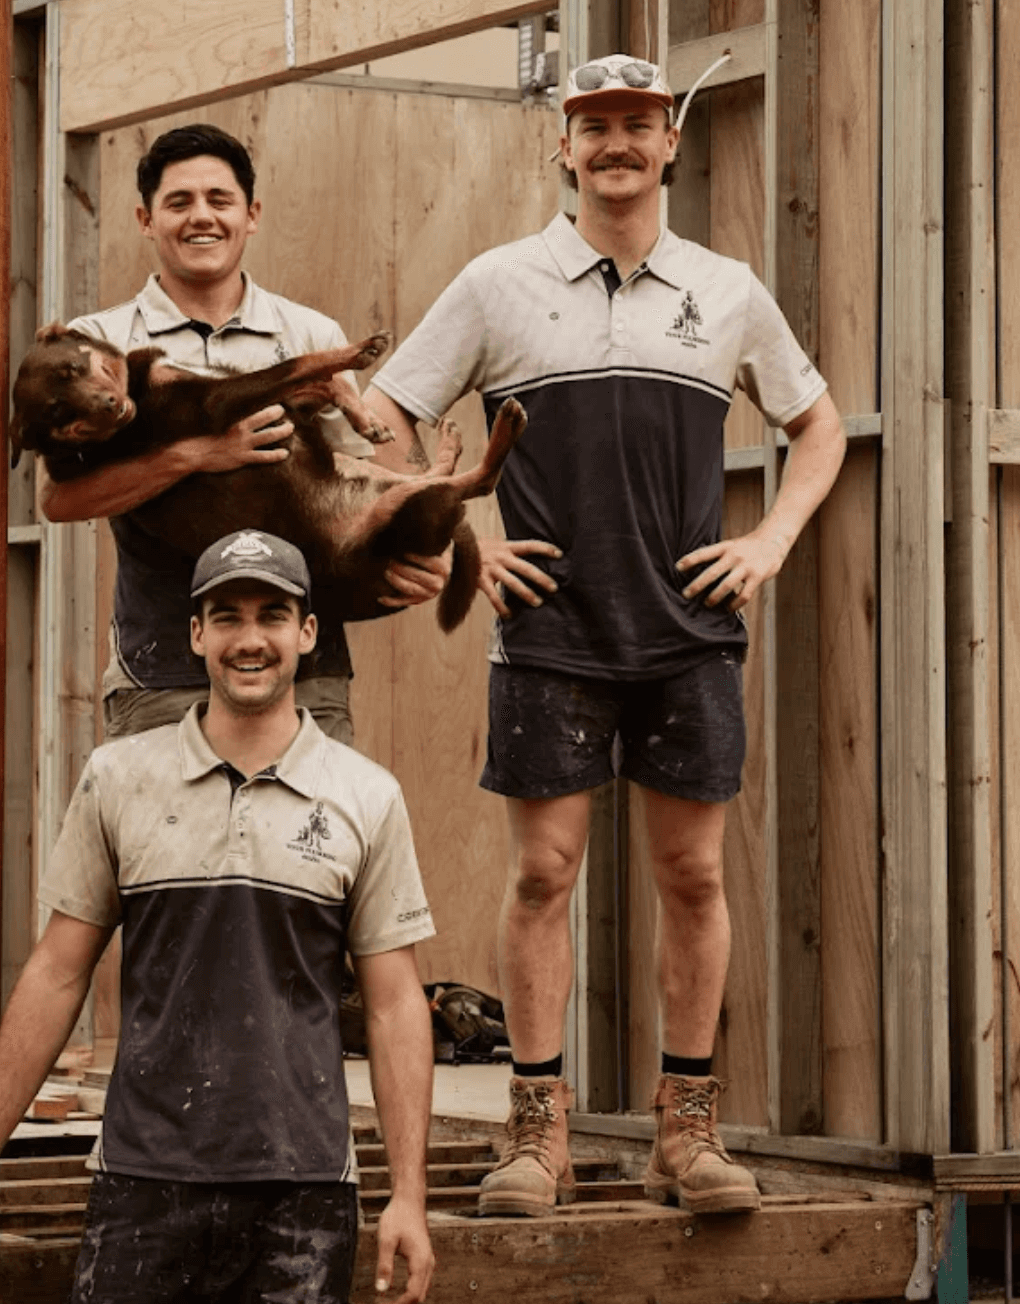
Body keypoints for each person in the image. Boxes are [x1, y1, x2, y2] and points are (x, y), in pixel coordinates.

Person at [364, 54, 847, 1217]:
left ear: (671, 142)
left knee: (693, 873)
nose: (616, 142)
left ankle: (687, 1131)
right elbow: (384, 414)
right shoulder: (496, 283)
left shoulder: (724, 288)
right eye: (595, 125)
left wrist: (770, 539)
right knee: (542, 873)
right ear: (564, 148)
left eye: (637, 122)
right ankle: (538, 1135)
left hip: (688, 633)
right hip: (550, 633)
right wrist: (466, 537)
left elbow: (819, 423)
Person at [0, 529, 437, 1303]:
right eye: (227, 617)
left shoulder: (366, 796)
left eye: (272, 615)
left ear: (307, 632)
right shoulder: (119, 778)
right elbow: (57, 974)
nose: (249, 639)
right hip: (142, 1183)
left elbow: (394, 1006)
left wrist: (409, 1197)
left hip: (304, 1193)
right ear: (196, 634)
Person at [41, 123, 446, 744]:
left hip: (306, 673)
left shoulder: (310, 335)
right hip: (162, 673)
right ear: (146, 220)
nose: (201, 217)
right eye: (179, 202)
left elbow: (352, 475)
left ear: (251, 215)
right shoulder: (99, 346)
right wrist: (198, 455)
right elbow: (60, 499)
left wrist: (427, 548)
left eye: (219, 200)